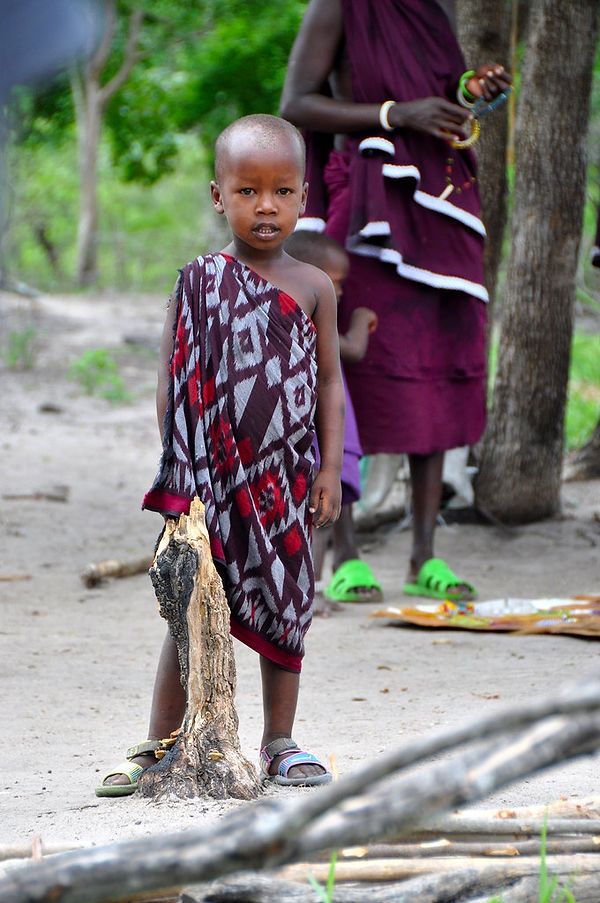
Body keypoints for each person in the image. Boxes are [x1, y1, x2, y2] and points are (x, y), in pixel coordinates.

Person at [96, 114, 345, 796]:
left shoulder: (316, 286)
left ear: (303, 198)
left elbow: (329, 380)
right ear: (217, 195)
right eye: (247, 191)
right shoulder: (198, 281)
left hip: (287, 483)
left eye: (282, 191)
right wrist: (184, 474)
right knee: (195, 606)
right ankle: (160, 740)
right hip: (212, 482)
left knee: (287, 606)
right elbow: (170, 380)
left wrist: (328, 469)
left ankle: (280, 740)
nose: (265, 205)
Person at [280, 0, 512, 602]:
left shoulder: (432, 10)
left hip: (441, 204)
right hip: (366, 207)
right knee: (351, 370)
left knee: (439, 367)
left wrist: (468, 92)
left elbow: (439, 100)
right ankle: (346, 553)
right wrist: (395, 114)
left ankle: (424, 555)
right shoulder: (338, 6)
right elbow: (297, 103)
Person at [285, 230, 381, 613]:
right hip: (324, 438)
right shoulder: (313, 323)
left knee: (310, 515)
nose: (339, 293)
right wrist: (361, 318)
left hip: (311, 435)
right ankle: (312, 593)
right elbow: (354, 349)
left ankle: (306, 590)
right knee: (317, 517)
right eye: (336, 284)